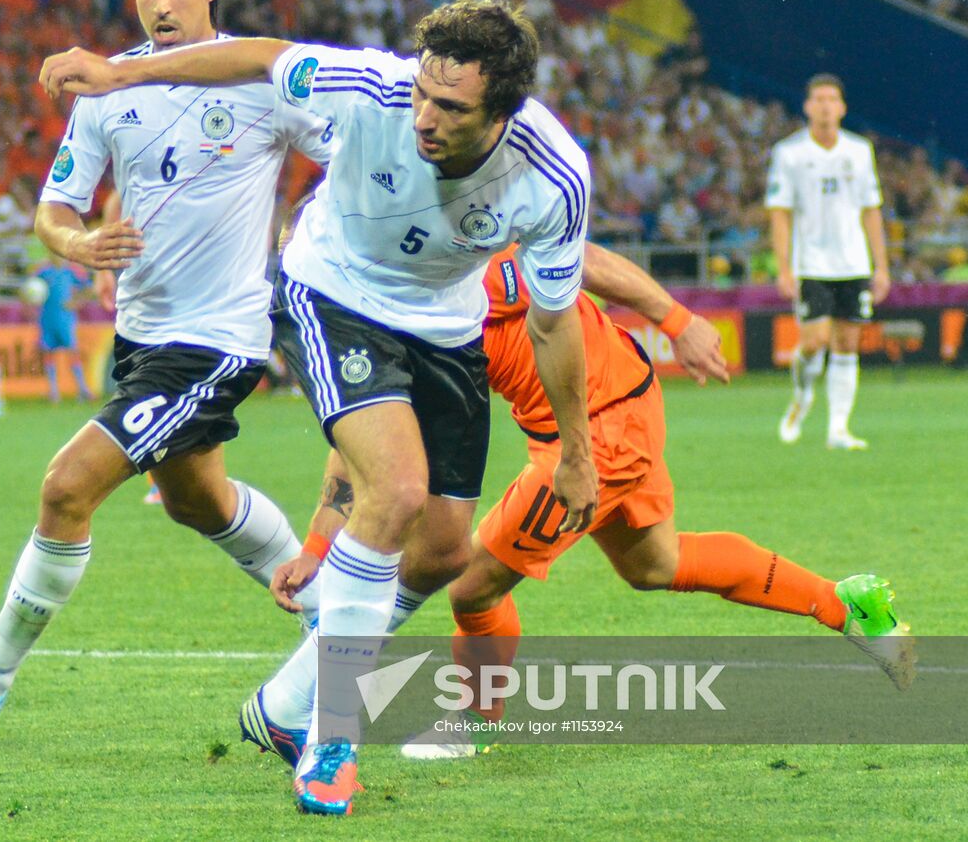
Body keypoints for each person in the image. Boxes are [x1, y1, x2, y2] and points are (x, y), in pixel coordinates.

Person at [41, 0, 599, 816]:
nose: (424, 118)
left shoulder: (555, 177)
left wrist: (578, 454)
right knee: (398, 491)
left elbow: (554, 328)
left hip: (447, 327)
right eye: (423, 93)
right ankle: (333, 739)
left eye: (450, 107)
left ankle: (283, 707)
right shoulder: (371, 88)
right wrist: (122, 75)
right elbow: (260, 55)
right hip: (330, 291)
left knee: (445, 549)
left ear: (506, 112)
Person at [0, 0, 333, 733]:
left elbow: (345, 155)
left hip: (218, 340)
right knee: (196, 502)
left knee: (68, 488)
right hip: (144, 336)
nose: (161, 3)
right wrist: (83, 242)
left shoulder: (261, 82)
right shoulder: (106, 90)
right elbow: (54, 209)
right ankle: (331, 614)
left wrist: (310, 226)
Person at [254, 243, 914, 766]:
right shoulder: (389, 308)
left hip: (595, 434)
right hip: (618, 405)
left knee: (473, 586)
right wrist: (316, 545)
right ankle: (845, 603)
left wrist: (678, 320)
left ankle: (475, 723)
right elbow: (363, 437)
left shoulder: (459, 272)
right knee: (656, 564)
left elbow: (585, 261)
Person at [767, 74, 890, 450]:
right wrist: (784, 266)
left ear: (842, 108)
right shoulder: (789, 153)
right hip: (812, 264)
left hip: (853, 263)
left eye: (831, 99)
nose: (824, 106)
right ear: (806, 106)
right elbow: (779, 213)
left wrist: (881, 266)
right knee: (813, 340)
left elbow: (872, 211)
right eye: (817, 99)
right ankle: (802, 397)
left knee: (847, 343)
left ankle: (838, 429)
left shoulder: (858, 151)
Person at [33, 256, 94, 403]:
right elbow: (30, 287)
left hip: (65, 319)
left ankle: (82, 388)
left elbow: (88, 287)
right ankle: (53, 392)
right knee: (48, 353)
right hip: (47, 318)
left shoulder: (71, 272)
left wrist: (76, 302)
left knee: (72, 351)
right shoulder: (43, 272)